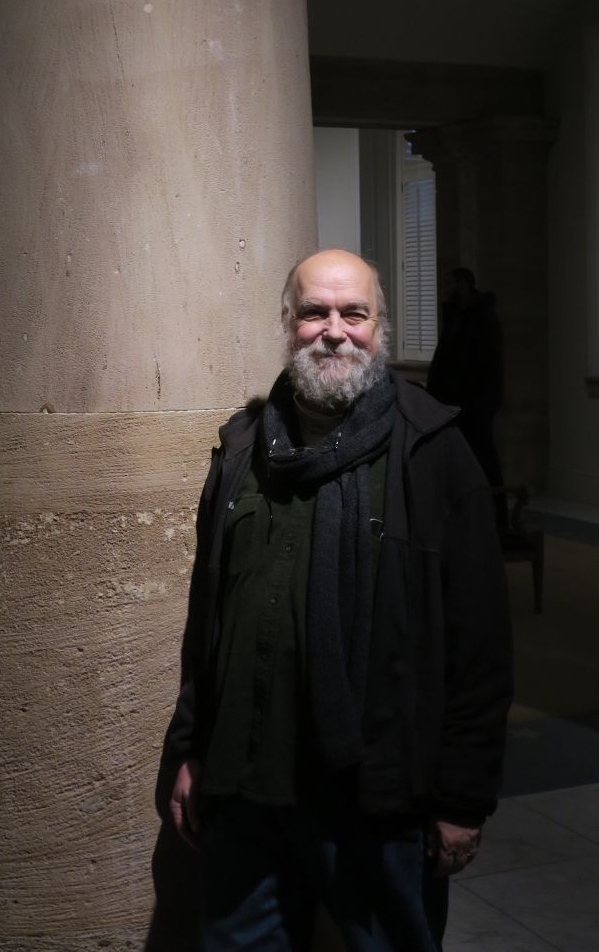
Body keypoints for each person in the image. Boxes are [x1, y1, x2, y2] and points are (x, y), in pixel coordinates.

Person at [165, 249, 512, 952]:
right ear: (288, 325)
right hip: (244, 792)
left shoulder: (435, 454)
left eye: (354, 313)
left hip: (377, 805)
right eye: (314, 313)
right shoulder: (242, 450)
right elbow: (210, 621)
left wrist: (462, 799)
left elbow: (481, 648)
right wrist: (190, 749)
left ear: (378, 330)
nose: (334, 330)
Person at [426, 267, 505, 529]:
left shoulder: (481, 317)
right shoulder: (456, 315)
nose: (444, 289)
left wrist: (474, 400)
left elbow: (481, 363)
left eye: (448, 283)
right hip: (455, 403)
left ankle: (496, 519)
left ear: (463, 284)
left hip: (474, 405)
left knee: (483, 458)